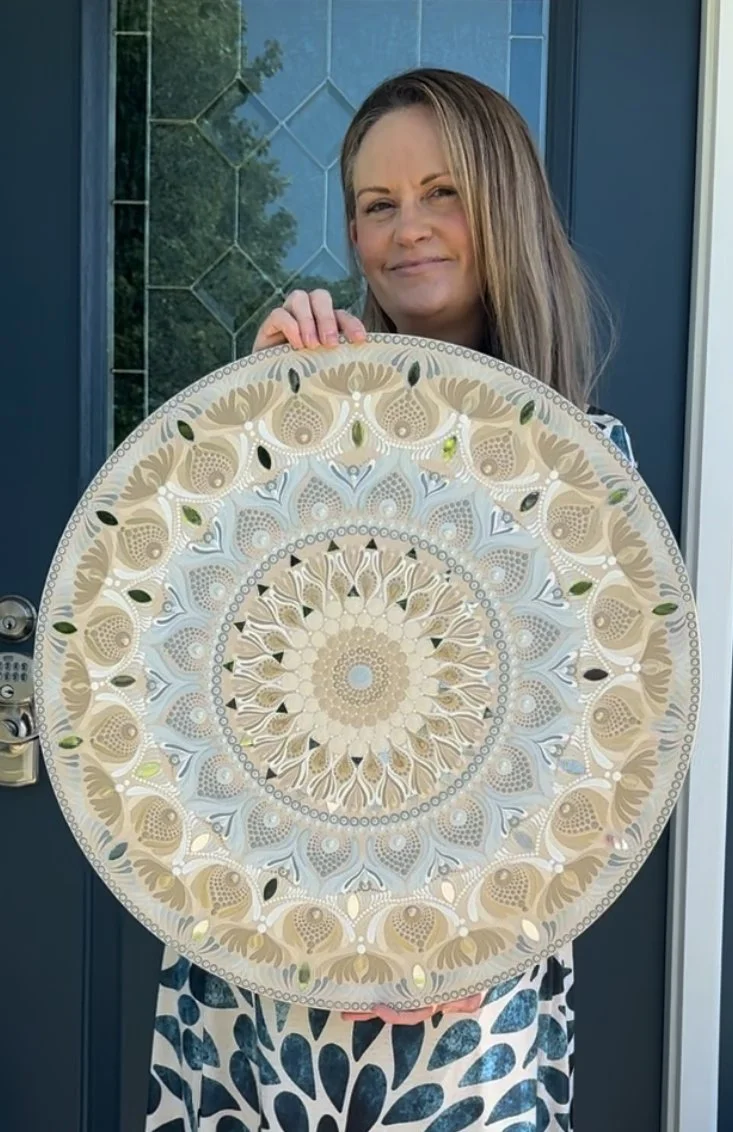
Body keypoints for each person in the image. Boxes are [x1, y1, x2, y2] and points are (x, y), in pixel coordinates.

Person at [146, 68, 634, 1132]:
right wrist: (258, 422)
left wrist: (473, 937)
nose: (406, 229)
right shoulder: (309, 412)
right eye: (377, 204)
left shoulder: (583, 470)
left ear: (502, 202)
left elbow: (603, 755)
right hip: (269, 949)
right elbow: (182, 649)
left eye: (441, 192)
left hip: (464, 967)